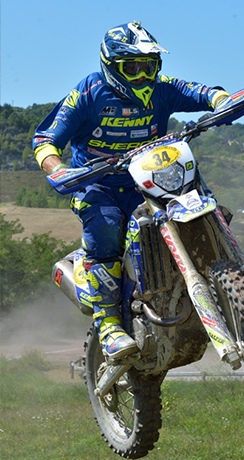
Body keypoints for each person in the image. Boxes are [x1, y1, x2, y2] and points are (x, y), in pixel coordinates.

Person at [32, 21, 230, 359]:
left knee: (202, 204)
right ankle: (108, 324)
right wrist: (58, 168)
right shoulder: (88, 93)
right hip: (97, 183)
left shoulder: (161, 88)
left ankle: (229, 289)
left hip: (150, 178)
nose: (141, 75)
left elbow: (199, 91)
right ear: (110, 66)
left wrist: (223, 100)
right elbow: (45, 139)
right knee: (107, 228)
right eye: (132, 67)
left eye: (148, 66)